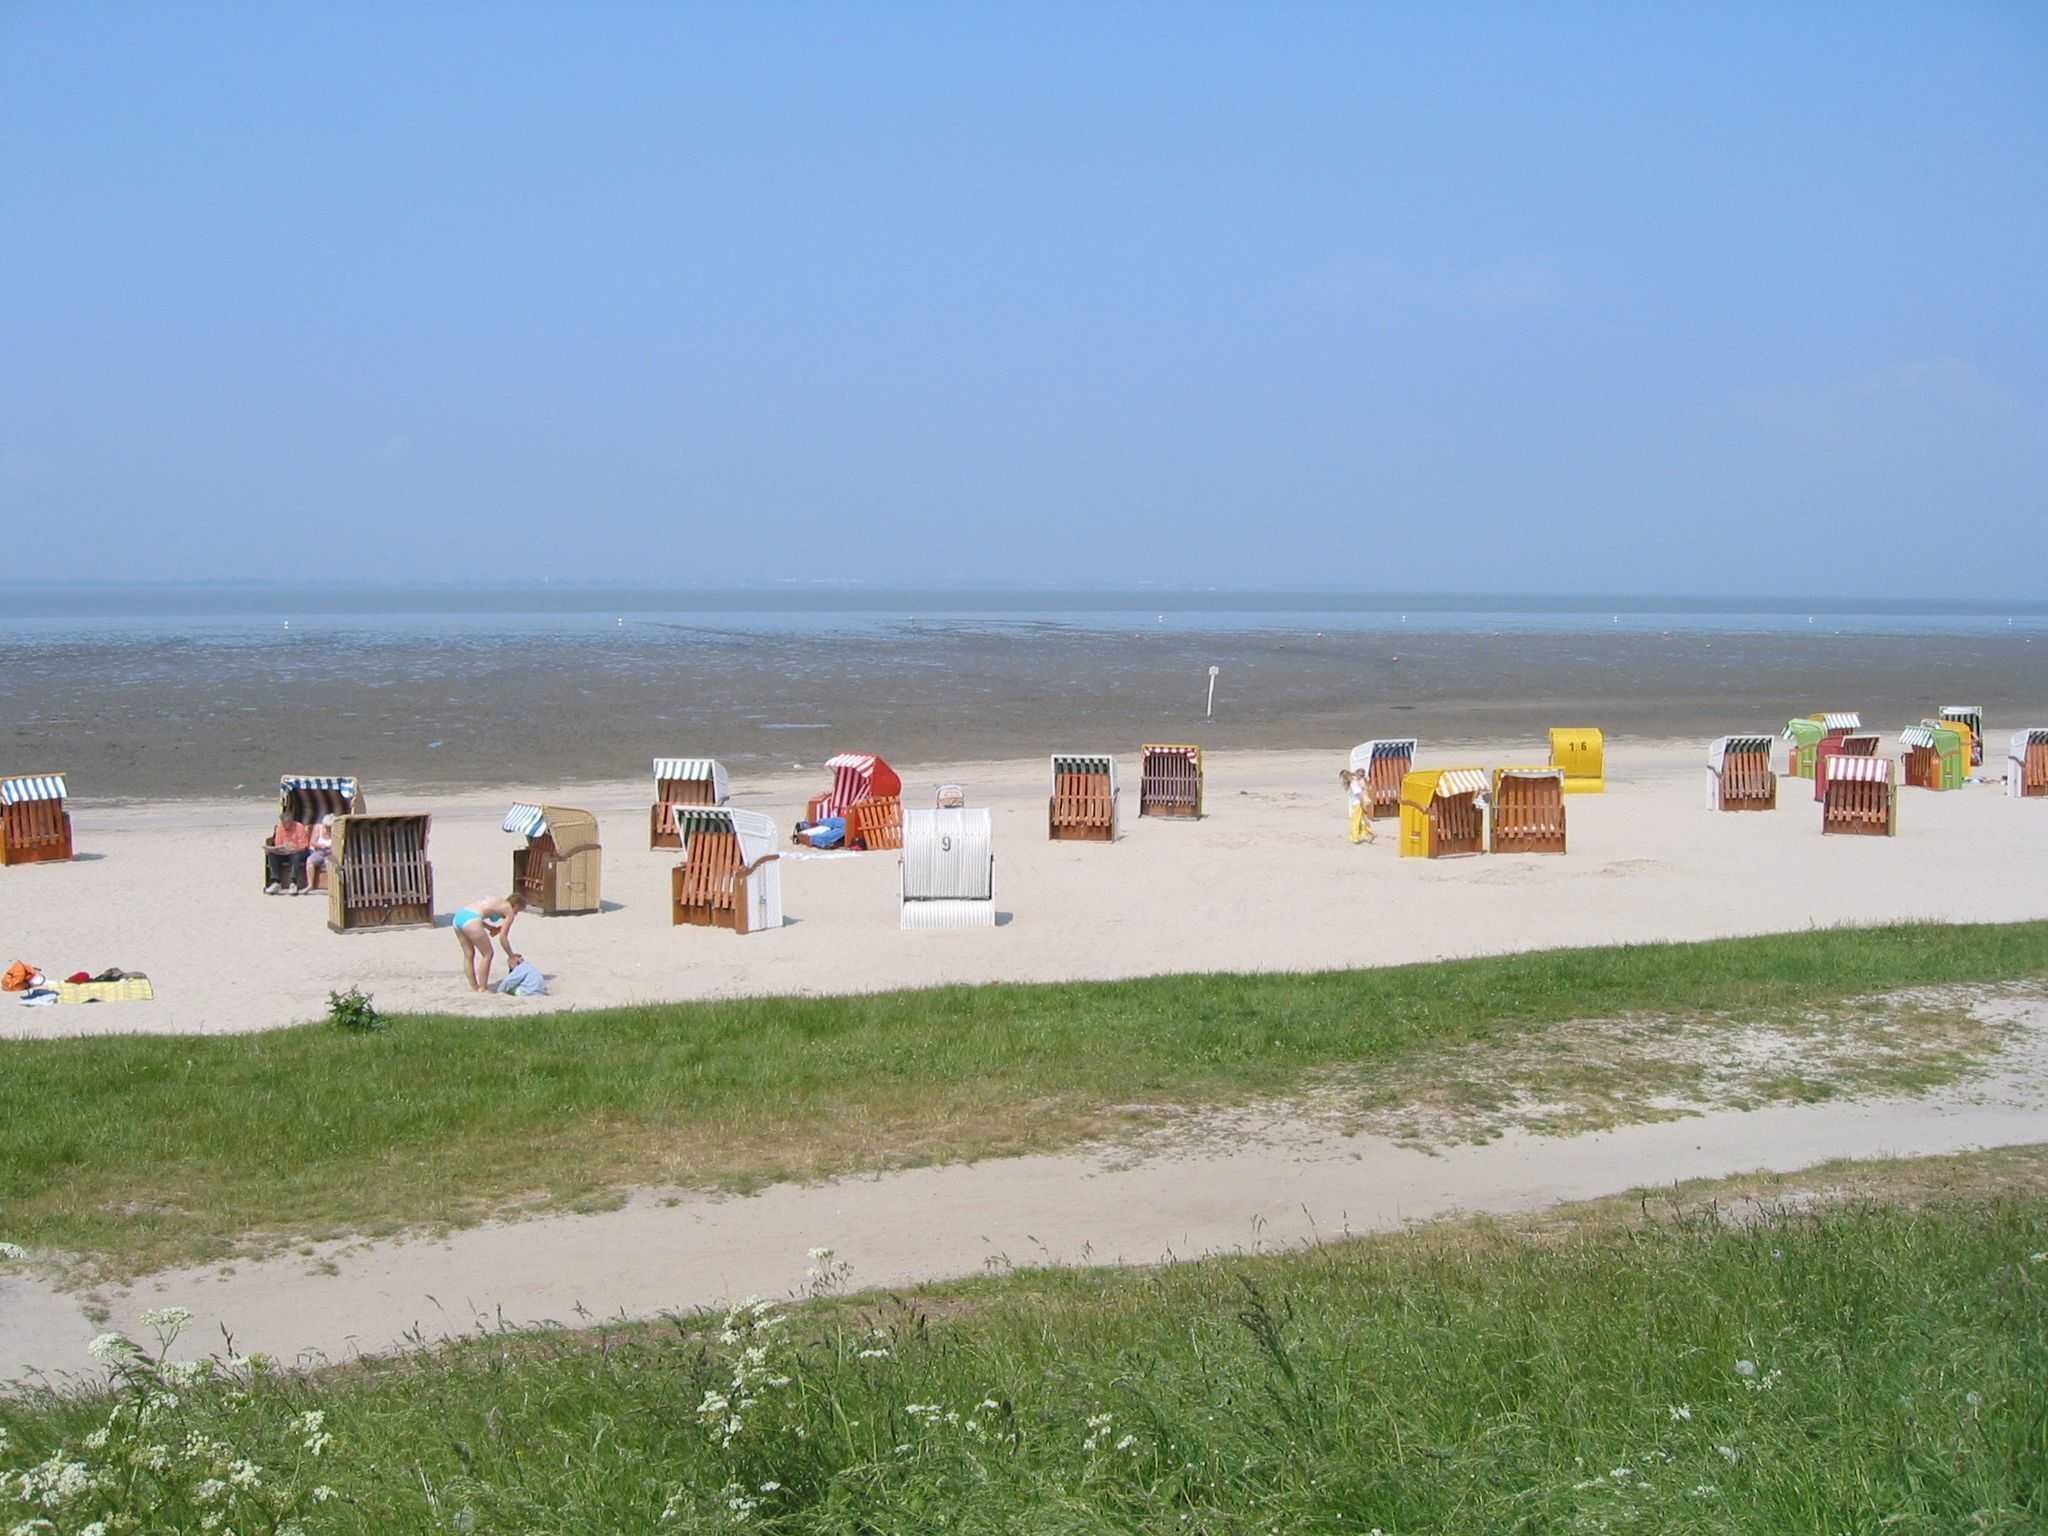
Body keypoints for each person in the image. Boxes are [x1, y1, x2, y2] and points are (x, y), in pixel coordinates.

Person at [451, 893, 527, 992]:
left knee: (468, 954)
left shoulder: (498, 900)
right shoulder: (509, 911)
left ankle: (474, 987)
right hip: (471, 921)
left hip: (459, 917)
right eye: (518, 910)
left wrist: (490, 928)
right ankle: (483, 987)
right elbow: (503, 937)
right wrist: (511, 955)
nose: (516, 914)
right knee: (488, 954)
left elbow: (476, 913)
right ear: (516, 905)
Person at [266, 814, 313, 893]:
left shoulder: (299, 827)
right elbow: (278, 843)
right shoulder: (280, 827)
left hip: (298, 851)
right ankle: (276, 881)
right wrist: (279, 848)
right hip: (285, 852)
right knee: (272, 854)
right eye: (283, 823)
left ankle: (293, 882)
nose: (285, 825)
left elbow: (304, 845)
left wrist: (293, 847)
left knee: (295, 856)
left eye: (286, 823)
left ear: (291, 822)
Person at [1342, 768, 1377, 846]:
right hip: (1357, 804)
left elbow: (1360, 795)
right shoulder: (1352, 782)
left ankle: (1355, 838)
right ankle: (1371, 834)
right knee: (1362, 821)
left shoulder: (1353, 784)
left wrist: (1362, 806)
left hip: (1357, 805)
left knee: (1355, 821)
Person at [303, 814, 335, 889]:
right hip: (319, 851)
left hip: (331, 852)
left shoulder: (336, 829)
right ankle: (310, 885)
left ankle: (331, 885)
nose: (328, 828)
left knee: (329, 862)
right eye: (326, 826)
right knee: (310, 860)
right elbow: (312, 842)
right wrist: (321, 846)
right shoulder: (318, 828)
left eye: (330, 827)